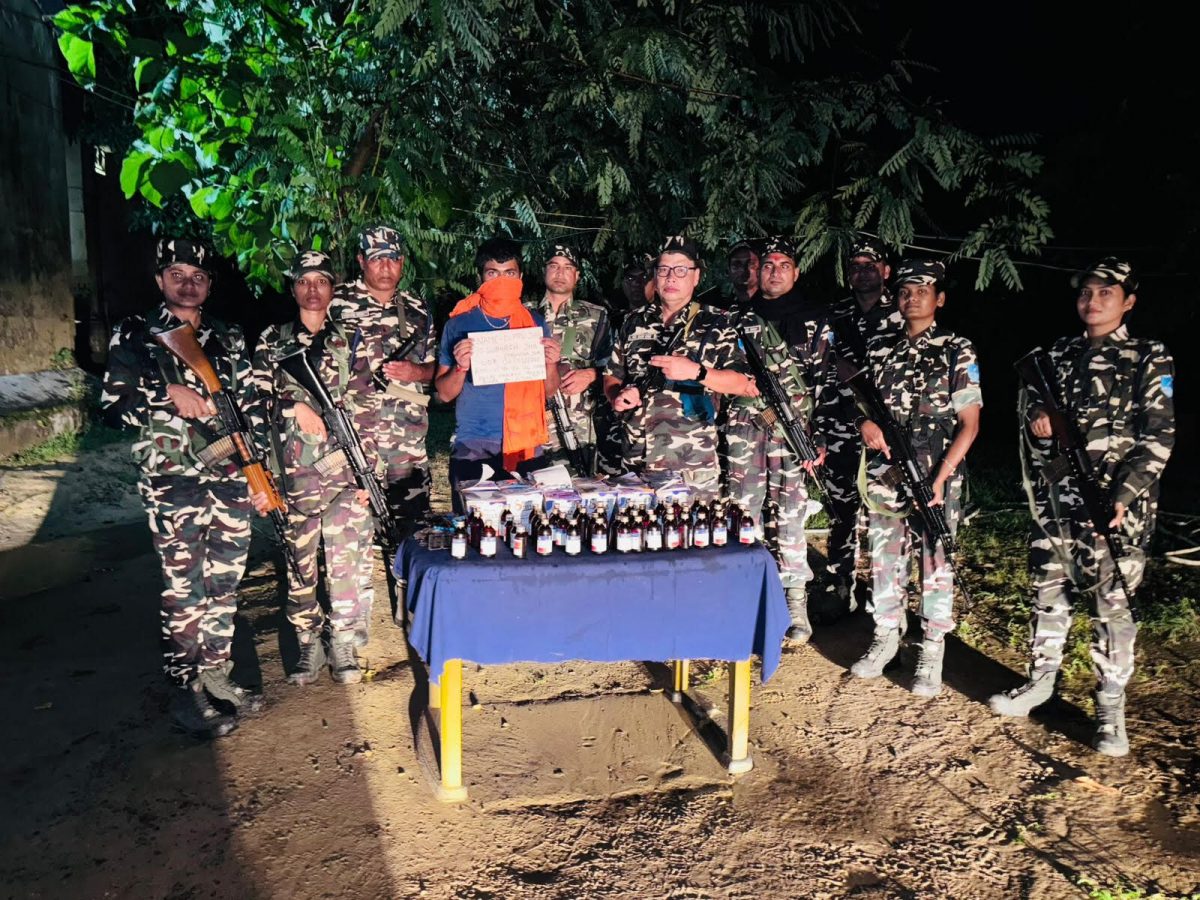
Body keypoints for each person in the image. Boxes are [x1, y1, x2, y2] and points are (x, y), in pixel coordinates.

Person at [989, 258, 1174, 757]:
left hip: (1115, 510)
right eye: (1085, 293)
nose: (1092, 302)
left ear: (1128, 301)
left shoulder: (1147, 356)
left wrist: (1122, 496)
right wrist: (1038, 418)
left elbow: (1159, 437)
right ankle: (1040, 684)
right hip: (1056, 501)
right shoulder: (1058, 354)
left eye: (1105, 293)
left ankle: (1110, 709)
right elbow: (1030, 410)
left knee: (1111, 608)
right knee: (1047, 593)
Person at [100, 238, 262, 737]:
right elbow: (112, 407)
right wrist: (165, 393)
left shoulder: (228, 336)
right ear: (159, 280)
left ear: (209, 285)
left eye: (198, 276)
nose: (188, 284)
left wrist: (259, 473)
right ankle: (185, 687)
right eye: (177, 274)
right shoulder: (135, 332)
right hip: (172, 480)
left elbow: (250, 408)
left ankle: (215, 673)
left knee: (225, 582)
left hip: (229, 476)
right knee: (184, 587)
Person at [849, 259, 981, 697]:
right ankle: (886, 635)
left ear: (939, 299)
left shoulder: (956, 348)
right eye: (905, 291)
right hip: (887, 471)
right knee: (884, 554)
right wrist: (864, 423)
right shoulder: (880, 347)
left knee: (935, 559)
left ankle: (931, 648)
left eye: (922, 291)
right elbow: (860, 404)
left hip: (935, 471)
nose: (912, 298)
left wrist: (942, 476)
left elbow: (970, 424)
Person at [250, 250, 375, 685]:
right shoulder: (273, 339)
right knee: (300, 561)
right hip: (294, 471)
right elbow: (256, 400)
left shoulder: (350, 339)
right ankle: (309, 642)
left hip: (344, 471)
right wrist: (294, 406)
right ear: (293, 288)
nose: (313, 289)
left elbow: (366, 405)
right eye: (304, 282)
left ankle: (342, 640)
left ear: (332, 289)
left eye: (321, 281)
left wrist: (369, 473)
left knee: (345, 558)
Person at [721, 236, 835, 642]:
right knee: (743, 509)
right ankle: (746, 592)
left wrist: (820, 434)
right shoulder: (735, 318)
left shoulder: (815, 318)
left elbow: (826, 382)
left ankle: (794, 599)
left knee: (790, 512)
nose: (774, 272)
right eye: (767, 265)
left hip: (794, 429)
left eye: (783, 265)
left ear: (795, 272)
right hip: (745, 426)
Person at [603, 235, 752, 491]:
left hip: (691, 461)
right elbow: (612, 375)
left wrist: (697, 372)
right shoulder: (633, 321)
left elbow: (743, 384)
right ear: (655, 276)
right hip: (636, 457)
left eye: (681, 270)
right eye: (664, 269)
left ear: (696, 276)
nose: (671, 277)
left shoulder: (717, 323)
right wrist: (617, 396)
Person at [812, 240, 906, 623]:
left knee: (885, 515)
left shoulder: (904, 312)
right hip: (839, 425)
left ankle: (887, 602)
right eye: (856, 265)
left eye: (871, 264)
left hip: (886, 431)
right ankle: (840, 587)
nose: (863, 271)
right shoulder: (834, 315)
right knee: (841, 510)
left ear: (886, 271)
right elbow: (821, 373)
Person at [434, 238, 561, 503]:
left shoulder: (534, 323)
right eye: (493, 274)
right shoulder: (458, 324)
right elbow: (444, 394)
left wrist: (551, 363)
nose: (502, 282)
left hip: (526, 444)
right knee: (472, 523)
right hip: (474, 443)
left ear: (521, 277)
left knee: (527, 522)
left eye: (509, 274)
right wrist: (460, 367)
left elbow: (549, 391)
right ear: (480, 278)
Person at [329, 225, 436, 524]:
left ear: (402, 262)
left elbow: (435, 370)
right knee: (352, 532)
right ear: (361, 260)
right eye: (377, 258)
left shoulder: (417, 309)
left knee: (411, 527)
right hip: (355, 441)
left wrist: (416, 371)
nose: (386, 267)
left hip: (407, 444)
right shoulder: (334, 304)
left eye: (393, 258)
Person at [532, 244, 612, 473]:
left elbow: (616, 367)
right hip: (533, 422)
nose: (560, 273)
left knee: (580, 486)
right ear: (544, 271)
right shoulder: (524, 314)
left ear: (577, 276)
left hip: (578, 427)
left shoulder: (596, 315)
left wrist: (591, 374)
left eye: (568, 267)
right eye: (554, 266)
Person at [727, 238, 763, 306]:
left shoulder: (775, 306)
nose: (743, 270)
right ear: (728, 271)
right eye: (737, 265)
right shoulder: (714, 304)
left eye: (751, 264)